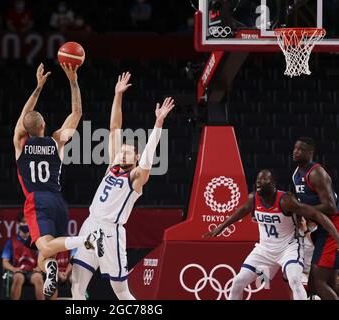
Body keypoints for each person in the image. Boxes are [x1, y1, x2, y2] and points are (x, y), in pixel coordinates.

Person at [71, 72, 175, 300]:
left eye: (128, 151)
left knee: (121, 291)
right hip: (90, 225)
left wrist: (158, 124)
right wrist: (117, 95)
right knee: (76, 284)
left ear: (135, 158)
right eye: (123, 149)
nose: (123, 151)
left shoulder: (137, 177)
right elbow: (114, 127)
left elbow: (148, 158)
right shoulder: (112, 165)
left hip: (111, 232)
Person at [13, 63, 99, 298]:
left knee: (45, 247)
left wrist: (38, 87)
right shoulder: (56, 141)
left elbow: (23, 118)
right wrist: (73, 80)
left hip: (36, 200)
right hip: (58, 201)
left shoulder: (20, 143)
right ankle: (51, 268)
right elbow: (77, 113)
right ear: (43, 126)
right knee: (46, 256)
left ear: (26, 129)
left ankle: (86, 240)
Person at [205, 169, 339, 300]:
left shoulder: (286, 201)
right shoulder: (253, 199)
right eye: (258, 179)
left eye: (264, 179)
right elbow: (242, 210)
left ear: (273, 184)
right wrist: (222, 226)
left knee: (294, 281)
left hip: (289, 249)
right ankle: (266, 279)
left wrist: (336, 237)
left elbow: (316, 214)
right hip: (265, 251)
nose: (259, 182)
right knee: (239, 282)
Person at [292, 137, 339, 300]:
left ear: (310, 153)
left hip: (333, 227)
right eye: (295, 148)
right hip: (321, 229)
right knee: (330, 284)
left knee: (317, 284)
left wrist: (303, 210)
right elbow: (304, 206)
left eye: (300, 149)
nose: (295, 152)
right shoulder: (296, 174)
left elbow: (331, 207)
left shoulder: (316, 173)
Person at [2, 212, 44, 300]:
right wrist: (14, 269)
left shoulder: (37, 241)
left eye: (27, 222)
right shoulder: (11, 241)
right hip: (18, 270)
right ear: (18, 223)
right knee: (18, 278)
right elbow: (5, 262)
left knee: (38, 278)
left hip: (33, 271)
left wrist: (39, 267)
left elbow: (42, 257)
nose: (25, 224)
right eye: (23, 222)